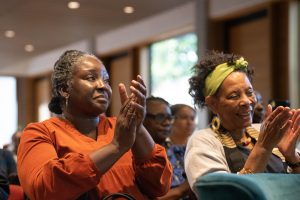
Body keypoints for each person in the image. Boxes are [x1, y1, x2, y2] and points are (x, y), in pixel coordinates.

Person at [17, 50, 172, 200]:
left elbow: (159, 186)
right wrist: (116, 147)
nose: (102, 85)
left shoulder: (121, 127)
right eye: (91, 78)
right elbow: (43, 190)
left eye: (105, 80)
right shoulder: (40, 132)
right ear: (64, 89)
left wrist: (137, 127)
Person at [185, 51, 300, 193]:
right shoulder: (203, 141)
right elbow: (221, 195)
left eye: (250, 92)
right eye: (234, 96)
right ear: (213, 103)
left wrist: (292, 158)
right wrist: (263, 148)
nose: (247, 101)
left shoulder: (263, 130)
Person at [143, 98, 195, 200]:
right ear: (142, 118)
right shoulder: (135, 156)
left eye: (169, 118)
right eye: (160, 117)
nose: (167, 123)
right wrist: (182, 190)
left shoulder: (178, 152)